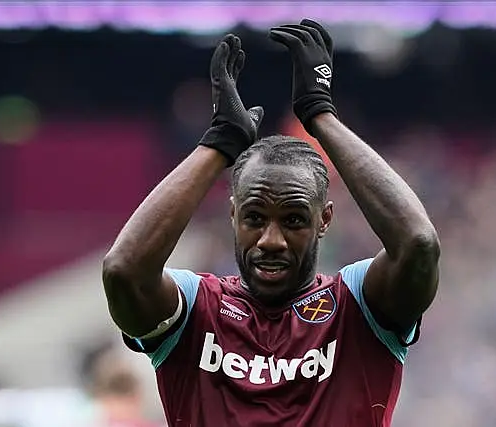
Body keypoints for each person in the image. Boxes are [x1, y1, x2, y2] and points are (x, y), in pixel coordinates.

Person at [102, 19, 440, 427]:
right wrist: (218, 145)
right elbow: (124, 271)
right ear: (232, 215)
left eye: (294, 220)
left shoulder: (359, 307)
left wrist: (321, 117)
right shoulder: (196, 311)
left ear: (324, 220)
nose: (271, 240)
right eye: (255, 218)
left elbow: (418, 246)